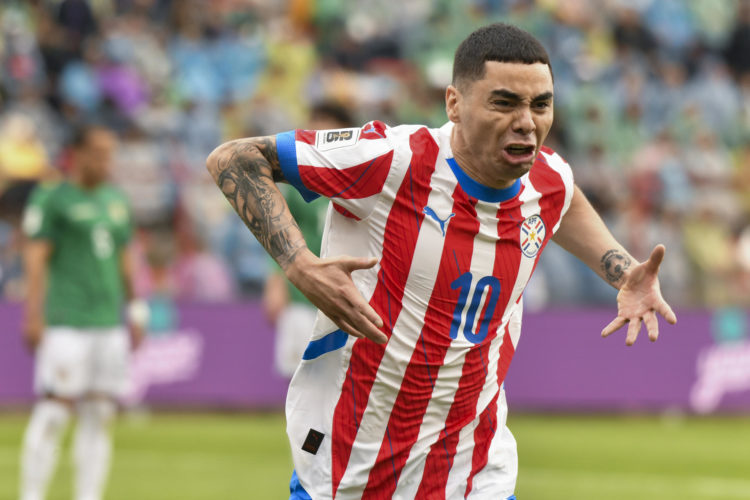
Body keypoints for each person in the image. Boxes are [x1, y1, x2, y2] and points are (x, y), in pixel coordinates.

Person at [206, 23, 677, 500]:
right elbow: (235, 159)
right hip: (351, 467)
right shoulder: (393, 159)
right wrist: (299, 265)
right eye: (504, 102)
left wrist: (620, 269)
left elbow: (565, 199)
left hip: (477, 471)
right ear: (454, 103)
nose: (527, 122)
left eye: (541, 104)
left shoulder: (547, 178)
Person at [19, 124, 146, 500]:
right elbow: (35, 259)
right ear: (77, 153)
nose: (108, 162)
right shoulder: (52, 198)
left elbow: (127, 260)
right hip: (66, 321)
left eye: (111, 153)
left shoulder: (116, 199)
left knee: (99, 414)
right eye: (100, 153)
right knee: (55, 410)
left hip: (108, 322)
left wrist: (135, 309)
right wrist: (33, 314)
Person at [263, 101, 355, 377]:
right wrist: (275, 284)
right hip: (303, 294)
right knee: (298, 374)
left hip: (347, 295)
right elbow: (280, 237)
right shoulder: (298, 185)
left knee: (341, 376)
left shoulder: (360, 182)